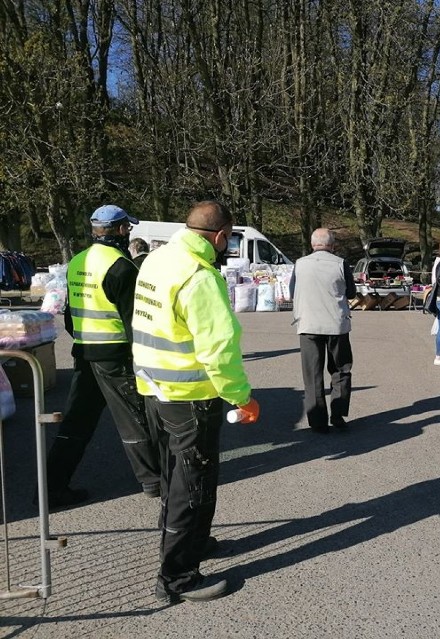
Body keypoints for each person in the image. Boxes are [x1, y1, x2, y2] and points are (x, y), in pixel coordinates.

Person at [132, 200, 260, 604]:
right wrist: (241, 397)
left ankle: (193, 542)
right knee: (195, 485)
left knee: (176, 476)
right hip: (191, 397)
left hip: (154, 388)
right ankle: (178, 576)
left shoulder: (157, 259)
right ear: (221, 236)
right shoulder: (200, 277)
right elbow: (219, 350)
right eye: (229, 239)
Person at [42, 205, 160, 509]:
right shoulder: (122, 266)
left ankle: (52, 489)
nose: (129, 233)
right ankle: (155, 482)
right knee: (134, 419)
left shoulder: (77, 262)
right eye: (127, 229)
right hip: (115, 355)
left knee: (75, 424)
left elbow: (69, 316)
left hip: (84, 353)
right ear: (120, 231)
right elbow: (135, 321)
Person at [289, 228, 356, 433]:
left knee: (312, 374)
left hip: (308, 324)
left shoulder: (299, 264)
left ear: (312, 245)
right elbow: (351, 292)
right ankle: (338, 414)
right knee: (341, 370)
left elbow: (293, 291)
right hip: (336, 324)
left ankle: (317, 420)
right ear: (332, 245)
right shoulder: (340, 263)